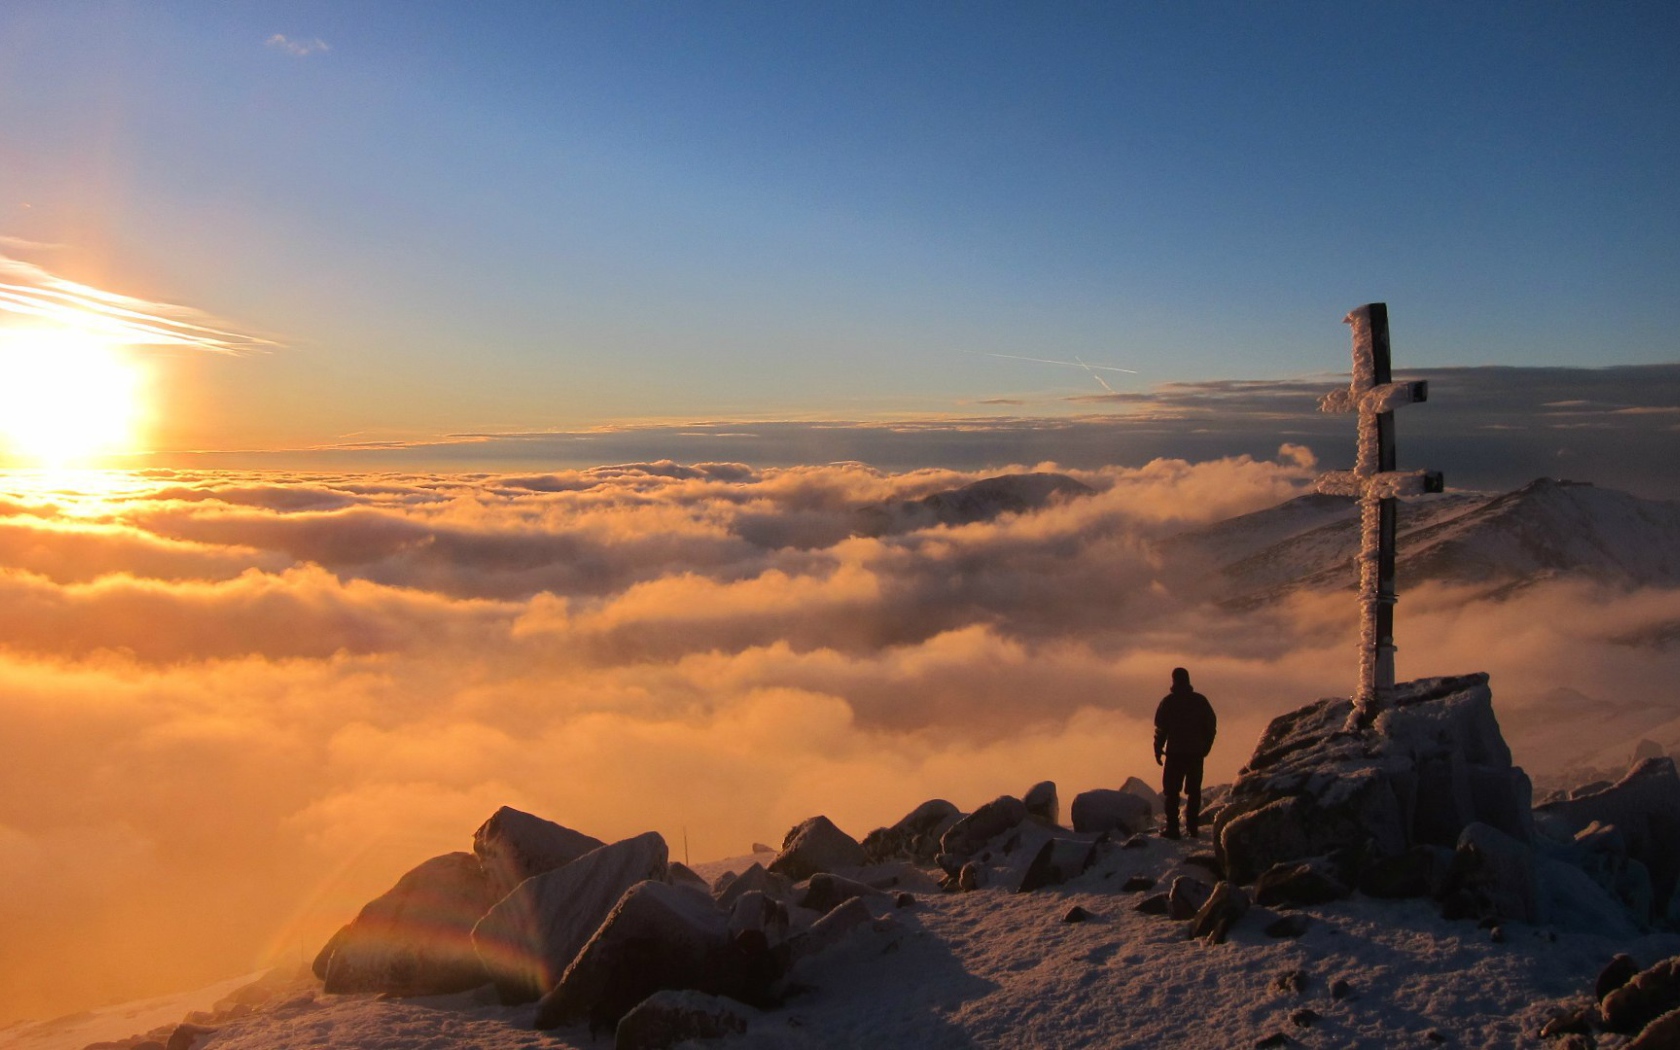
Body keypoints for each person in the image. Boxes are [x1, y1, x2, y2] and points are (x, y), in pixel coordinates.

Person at [1153, 667, 1217, 839]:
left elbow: (1161, 729)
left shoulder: (1168, 702)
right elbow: (1210, 727)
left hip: (1175, 754)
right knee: (1194, 791)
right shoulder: (1200, 701)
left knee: (1172, 791)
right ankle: (1192, 828)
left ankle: (1173, 829)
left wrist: (1158, 749)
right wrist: (1206, 747)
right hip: (1195, 753)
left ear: (1174, 680)